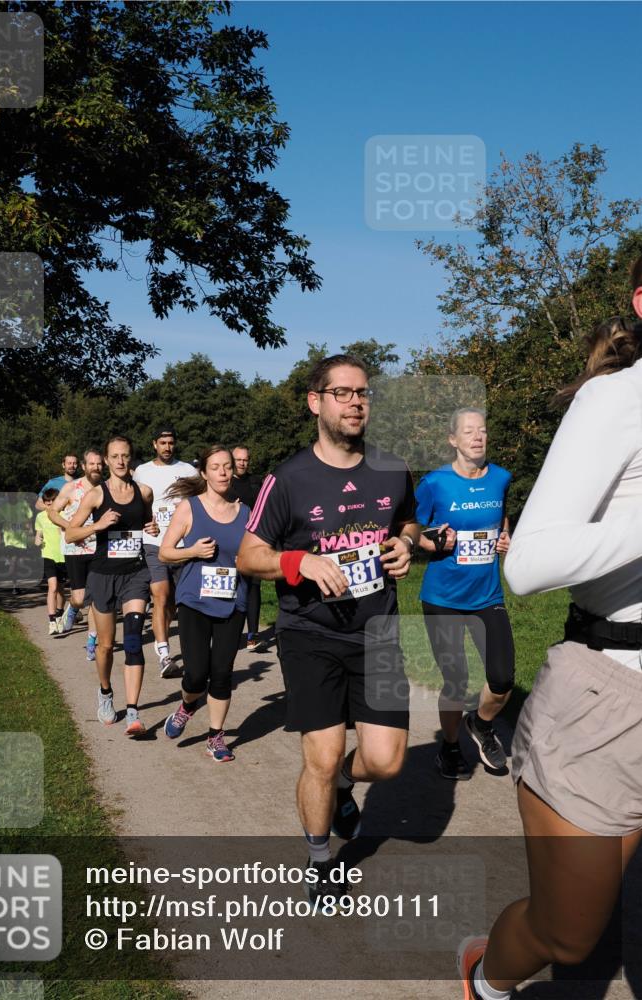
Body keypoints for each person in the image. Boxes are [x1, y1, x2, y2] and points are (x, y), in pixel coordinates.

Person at [459, 283, 642, 998]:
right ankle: (489, 979)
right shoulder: (618, 399)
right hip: (614, 697)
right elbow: (529, 562)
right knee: (569, 933)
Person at [237, 354, 419, 901]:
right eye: (342, 393)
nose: (356, 402)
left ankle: (344, 781)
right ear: (315, 402)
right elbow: (248, 556)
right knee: (319, 754)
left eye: (362, 393)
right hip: (310, 634)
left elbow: (408, 520)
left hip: (379, 631)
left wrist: (405, 543)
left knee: (386, 761)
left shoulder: (392, 468)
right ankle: (320, 861)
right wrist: (300, 562)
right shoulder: (287, 479)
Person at [416, 408, 514, 780]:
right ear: (452, 439)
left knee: (503, 680)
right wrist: (433, 541)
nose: (478, 437)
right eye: (469, 431)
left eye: (482, 430)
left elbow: (501, 516)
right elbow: (412, 530)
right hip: (443, 598)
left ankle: (481, 724)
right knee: (455, 680)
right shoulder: (434, 483)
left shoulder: (501, 478)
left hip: (488, 596)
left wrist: (506, 536)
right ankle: (450, 746)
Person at [159, 446, 250, 762]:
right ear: (205, 473)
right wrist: (193, 552)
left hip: (232, 601)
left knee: (222, 673)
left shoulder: (246, 513)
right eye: (216, 467)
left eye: (227, 466)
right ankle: (187, 705)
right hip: (195, 601)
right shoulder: (190, 508)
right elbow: (165, 552)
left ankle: (216, 737)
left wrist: (247, 561)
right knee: (196, 674)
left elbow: (256, 555)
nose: (223, 472)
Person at [65, 436, 158, 736]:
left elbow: (148, 521)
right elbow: (70, 534)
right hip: (103, 574)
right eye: (115, 456)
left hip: (135, 574)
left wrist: (152, 526)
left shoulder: (144, 492)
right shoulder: (96, 495)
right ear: (106, 460)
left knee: (132, 640)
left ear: (131, 458)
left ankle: (132, 711)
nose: (120, 461)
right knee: (105, 646)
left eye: (125, 456)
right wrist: (97, 525)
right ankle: (105, 692)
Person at [132, 426, 196, 677]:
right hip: (154, 542)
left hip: (183, 545)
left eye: (171, 442)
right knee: (160, 595)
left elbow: (200, 503)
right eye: (163, 443)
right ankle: (164, 655)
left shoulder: (188, 470)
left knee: (176, 602)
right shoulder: (142, 471)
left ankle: (177, 644)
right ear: (154, 444)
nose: (167, 447)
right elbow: (135, 504)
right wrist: (144, 523)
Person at [45, 448, 103, 655]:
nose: (96, 467)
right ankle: (73, 607)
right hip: (75, 548)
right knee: (80, 598)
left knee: (96, 597)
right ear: (84, 466)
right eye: (92, 464)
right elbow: (52, 512)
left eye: (99, 464)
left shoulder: (106, 488)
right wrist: (69, 526)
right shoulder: (71, 488)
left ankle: (92, 641)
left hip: (99, 548)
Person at [227, 445, 264, 650]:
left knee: (253, 587)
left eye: (245, 459)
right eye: (238, 459)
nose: (242, 463)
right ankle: (230, 633)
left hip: (253, 541)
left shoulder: (256, 482)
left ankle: (252, 635)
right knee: (231, 586)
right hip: (230, 541)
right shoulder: (224, 482)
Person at [34, 488, 66, 635]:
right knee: (52, 587)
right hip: (48, 555)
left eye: (52, 501)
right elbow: (38, 535)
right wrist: (37, 540)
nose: (49, 504)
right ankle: (52, 621)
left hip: (63, 556)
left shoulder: (64, 515)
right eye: (47, 502)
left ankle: (59, 614)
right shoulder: (40, 517)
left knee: (60, 589)